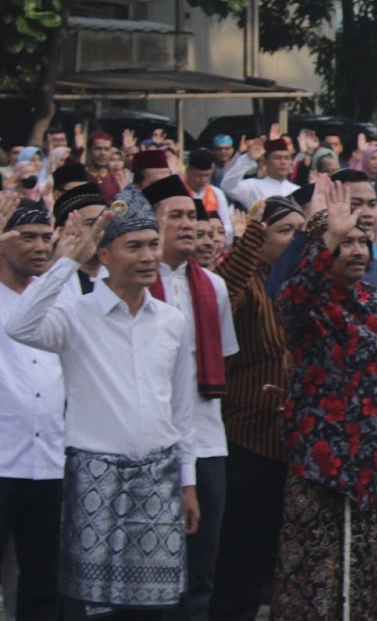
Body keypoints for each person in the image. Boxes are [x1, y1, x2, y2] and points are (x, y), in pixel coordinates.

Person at [8, 193, 201, 619]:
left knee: (158, 606)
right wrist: (66, 263)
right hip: (94, 478)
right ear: (105, 255)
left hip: (159, 476)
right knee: (92, 605)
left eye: (153, 244)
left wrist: (188, 481)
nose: (149, 256)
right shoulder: (75, 316)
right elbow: (20, 324)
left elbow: (181, 411)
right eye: (134, 246)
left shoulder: (171, 321)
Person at [273, 180, 377, 621]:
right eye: (344, 243)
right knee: (313, 574)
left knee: (367, 573)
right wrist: (326, 235)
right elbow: (289, 298)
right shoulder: (309, 302)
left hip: (374, 460)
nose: (356, 249)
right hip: (319, 462)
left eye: (362, 241)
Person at [143, 175, 239, 621]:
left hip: (205, 439)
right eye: (175, 216)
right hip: (148, 441)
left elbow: (224, 356)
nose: (187, 225)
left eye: (192, 216)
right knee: (152, 566)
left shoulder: (214, 287)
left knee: (203, 562)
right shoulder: (129, 286)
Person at [210, 197, 303, 621]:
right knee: (240, 555)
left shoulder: (302, 285)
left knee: (276, 553)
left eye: (301, 233)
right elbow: (221, 295)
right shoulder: (247, 285)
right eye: (285, 232)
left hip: (292, 438)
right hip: (246, 437)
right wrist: (247, 239)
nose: (296, 241)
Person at [0, 200, 66, 621]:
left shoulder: (62, 296)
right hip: (2, 460)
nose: (40, 247)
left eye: (46, 237)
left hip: (51, 463)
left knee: (44, 584)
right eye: (27, 237)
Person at [220, 136, 299, 209]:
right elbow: (227, 186)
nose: (283, 162)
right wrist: (248, 159)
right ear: (265, 161)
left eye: (287, 158)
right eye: (277, 158)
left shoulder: (296, 190)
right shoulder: (253, 186)